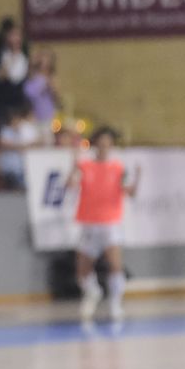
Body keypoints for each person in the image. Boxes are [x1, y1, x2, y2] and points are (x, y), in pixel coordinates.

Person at [69, 128, 141, 323]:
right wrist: (73, 165)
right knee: (82, 268)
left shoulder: (118, 168)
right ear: (95, 144)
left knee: (115, 264)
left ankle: (116, 303)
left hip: (110, 222)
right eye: (101, 142)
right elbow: (70, 184)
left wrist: (138, 178)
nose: (104, 146)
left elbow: (130, 192)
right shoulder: (85, 166)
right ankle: (92, 293)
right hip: (89, 222)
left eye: (107, 142)